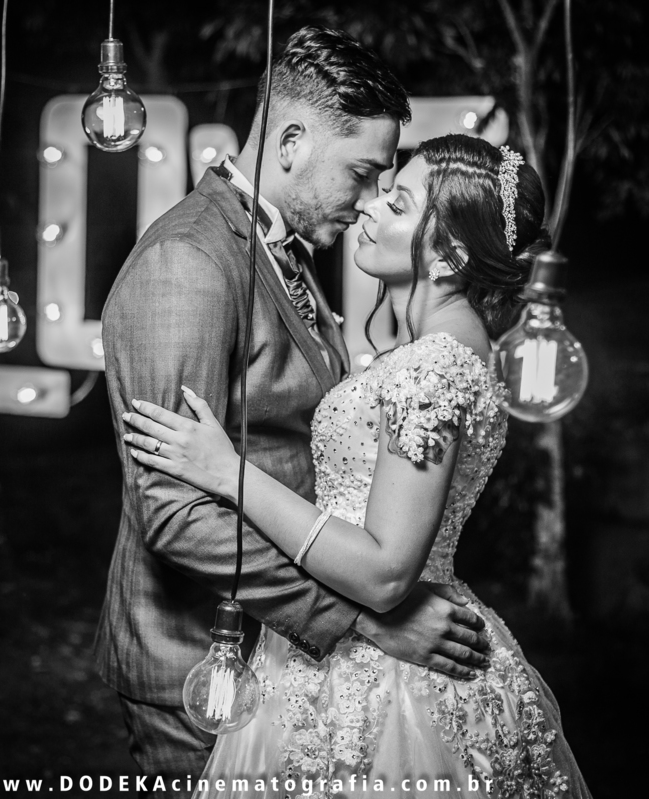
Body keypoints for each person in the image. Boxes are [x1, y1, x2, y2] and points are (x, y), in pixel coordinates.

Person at [122, 134, 593, 798]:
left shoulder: (434, 367)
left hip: (386, 676)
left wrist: (229, 472)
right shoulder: (441, 351)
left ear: (452, 254)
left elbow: (384, 572)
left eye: (397, 203)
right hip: (353, 645)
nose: (369, 206)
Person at [97, 28, 497, 796]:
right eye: (362, 172)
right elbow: (172, 511)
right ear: (290, 142)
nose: (369, 199)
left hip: (283, 663)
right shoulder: (187, 262)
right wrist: (362, 618)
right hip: (199, 663)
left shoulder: (291, 253)